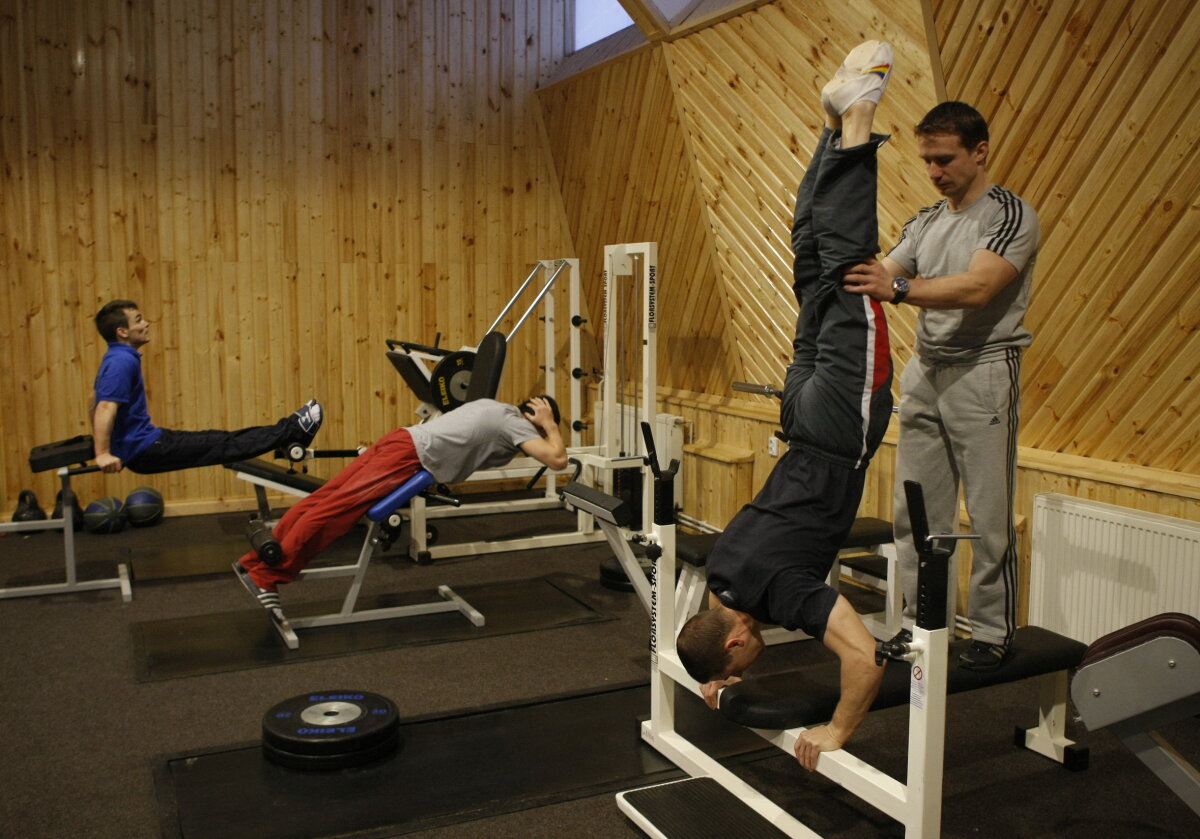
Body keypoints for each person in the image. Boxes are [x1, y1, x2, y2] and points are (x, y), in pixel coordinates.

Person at [675, 40, 895, 772]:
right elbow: (709, 633)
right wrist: (714, 676)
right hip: (796, 418)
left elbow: (865, 657)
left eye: (742, 665)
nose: (750, 667)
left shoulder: (786, 595)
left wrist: (835, 729)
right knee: (814, 272)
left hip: (835, 426)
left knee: (852, 270)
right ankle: (833, 127)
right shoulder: (722, 574)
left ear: (736, 639)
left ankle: (860, 109)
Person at [842, 101, 1040, 671]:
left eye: (945, 159)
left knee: (988, 514)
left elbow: (979, 287)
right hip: (925, 371)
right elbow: (882, 270)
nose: (934, 171)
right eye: (927, 160)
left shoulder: (1010, 215)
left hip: (983, 372)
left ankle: (991, 632)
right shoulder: (927, 218)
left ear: (979, 152)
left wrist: (897, 287)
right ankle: (917, 625)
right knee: (917, 515)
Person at [234, 395, 568, 620]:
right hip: (407, 457)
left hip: (400, 440)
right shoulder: (516, 424)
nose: (539, 433)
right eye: (539, 426)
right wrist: (551, 424)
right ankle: (265, 575)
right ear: (534, 419)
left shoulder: (491, 405)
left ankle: (254, 563)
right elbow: (556, 460)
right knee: (332, 514)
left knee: (324, 500)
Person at [90, 300, 323, 474]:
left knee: (221, 440)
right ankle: (292, 430)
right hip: (146, 449)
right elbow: (105, 406)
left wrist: (107, 445)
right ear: (122, 331)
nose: (146, 323)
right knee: (224, 444)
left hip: (148, 442)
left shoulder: (114, 358)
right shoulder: (122, 361)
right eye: (138, 320)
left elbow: (93, 399)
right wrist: (102, 453)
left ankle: (285, 434)